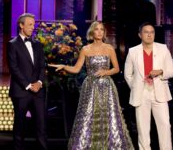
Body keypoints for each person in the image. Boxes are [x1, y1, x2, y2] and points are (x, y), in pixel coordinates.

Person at [49, 21, 134, 150]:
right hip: (90, 87)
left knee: (109, 116)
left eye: (102, 29)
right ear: (92, 32)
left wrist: (106, 72)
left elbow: (116, 68)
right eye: (97, 29)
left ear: (104, 33)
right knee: (88, 116)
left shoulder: (109, 48)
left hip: (107, 86)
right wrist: (64, 66)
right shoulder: (85, 49)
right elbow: (77, 69)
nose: (99, 32)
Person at [124, 22, 173, 150]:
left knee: (164, 126)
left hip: (159, 92)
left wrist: (161, 71)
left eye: (152, 32)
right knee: (143, 128)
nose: (149, 35)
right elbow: (127, 74)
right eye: (146, 32)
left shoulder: (163, 48)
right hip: (141, 94)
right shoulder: (133, 51)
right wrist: (136, 88)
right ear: (140, 35)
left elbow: (172, 71)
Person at [7, 13, 47, 150]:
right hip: (21, 91)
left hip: (38, 92)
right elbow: (14, 68)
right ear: (21, 25)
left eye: (33, 24)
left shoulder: (38, 44)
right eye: (30, 24)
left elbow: (42, 66)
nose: (33, 27)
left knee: (41, 125)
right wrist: (29, 85)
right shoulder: (12, 44)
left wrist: (40, 83)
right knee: (20, 126)